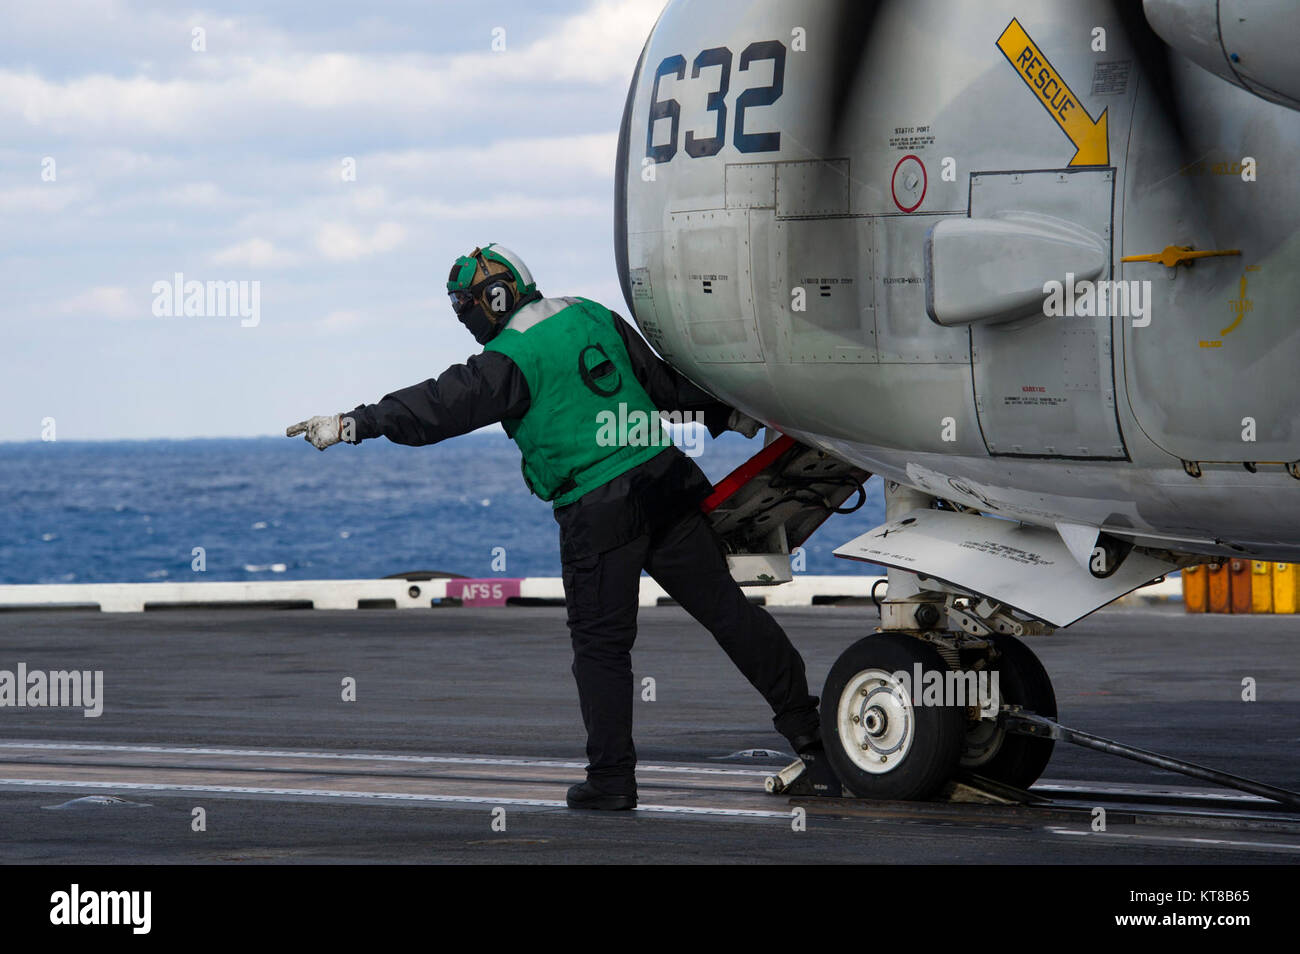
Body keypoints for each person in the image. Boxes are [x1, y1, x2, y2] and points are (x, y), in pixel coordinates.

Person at [287, 244, 838, 809]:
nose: (465, 318)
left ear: (490, 298)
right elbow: (661, 383)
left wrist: (355, 423)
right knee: (728, 613)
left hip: (599, 511)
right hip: (665, 482)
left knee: (601, 648)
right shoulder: (587, 312)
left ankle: (612, 781)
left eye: (464, 306)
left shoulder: (506, 359)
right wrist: (731, 414)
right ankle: (814, 742)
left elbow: (437, 407)